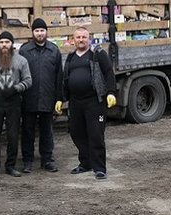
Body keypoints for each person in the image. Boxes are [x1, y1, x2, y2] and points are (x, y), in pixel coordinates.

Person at [60, 27, 117, 181]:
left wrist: (111, 92)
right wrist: (61, 98)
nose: (81, 40)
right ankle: (85, 163)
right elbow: (65, 78)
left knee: (95, 135)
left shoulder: (97, 54)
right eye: (78, 37)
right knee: (76, 133)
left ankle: (99, 168)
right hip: (75, 102)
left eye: (84, 37)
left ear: (89, 39)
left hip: (94, 101)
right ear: (73, 40)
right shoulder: (71, 57)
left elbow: (109, 73)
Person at [0, 31, 31, 177]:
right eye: (2, 42)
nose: (4, 45)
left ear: (12, 44)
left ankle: (10, 166)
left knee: (12, 135)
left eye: (7, 42)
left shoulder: (21, 61)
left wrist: (15, 89)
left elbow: (28, 80)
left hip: (13, 100)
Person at [18, 18, 63, 173]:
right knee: (27, 131)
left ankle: (47, 160)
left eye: (42, 30)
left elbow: (59, 76)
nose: (39, 33)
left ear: (46, 32)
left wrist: (58, 98)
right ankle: (28, 161)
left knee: (47, 131)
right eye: (37, 31)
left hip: (47, 97)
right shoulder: (24, 51)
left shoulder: (54, 50)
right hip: (29, 98)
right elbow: (18, 74)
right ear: (33, 33)